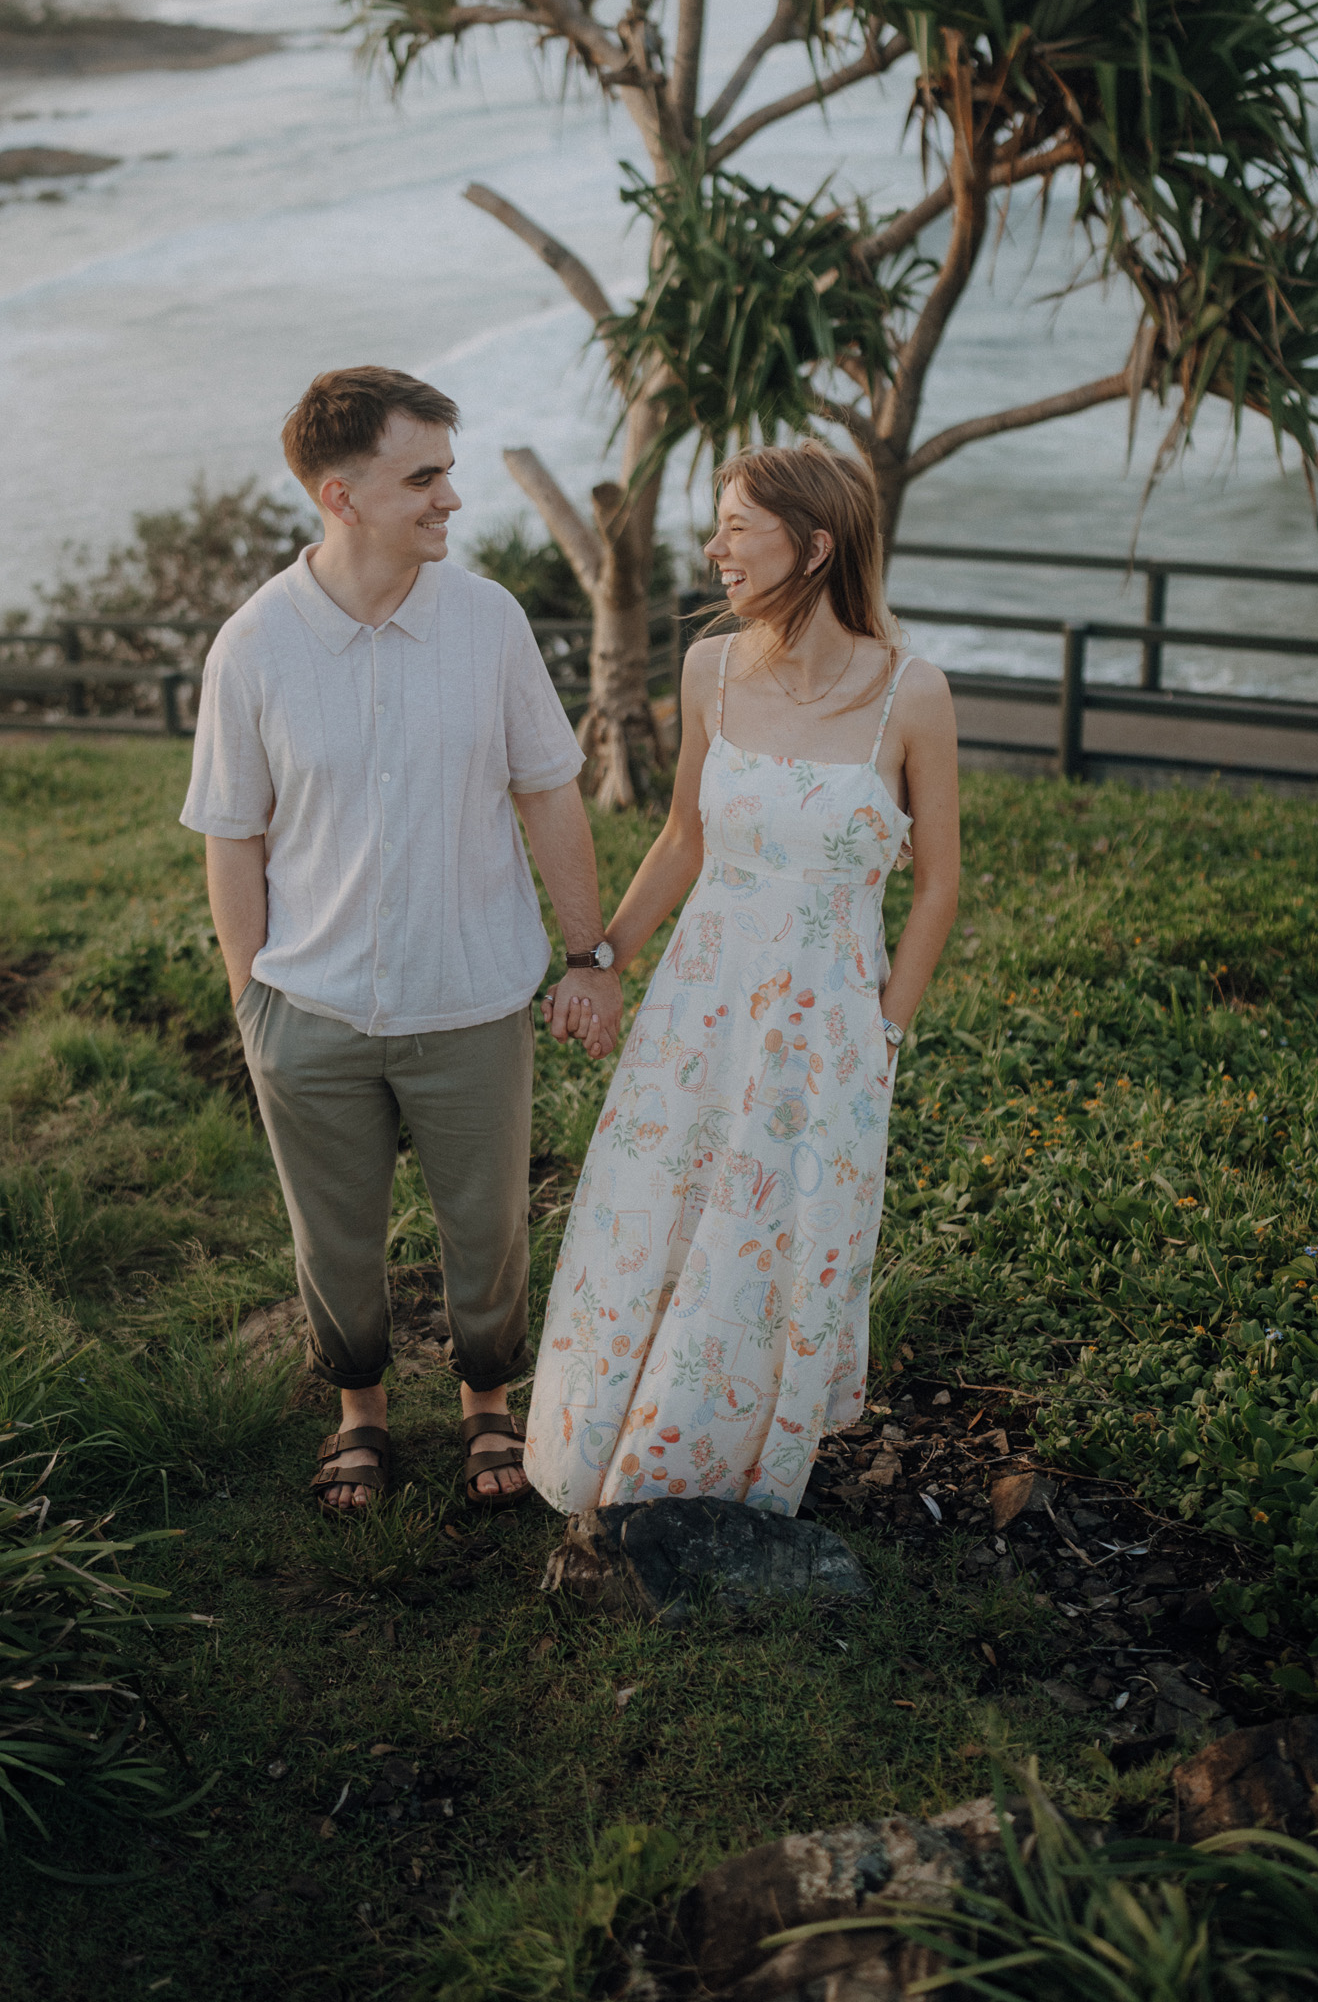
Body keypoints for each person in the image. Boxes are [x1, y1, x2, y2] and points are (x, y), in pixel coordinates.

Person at [182, 365, 622, 1513]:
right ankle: (360, 1417)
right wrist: (254, 1005)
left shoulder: (489, 623)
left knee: (489, 1231)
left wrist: (586, 957)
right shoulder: (254, 644)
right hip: (307, 1012)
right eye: (422, 478)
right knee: (333, 1239)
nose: (450, 501)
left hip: (471, 1000)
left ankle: (488, 1409)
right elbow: (232, 837)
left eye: (447, 473)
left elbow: (551, 793)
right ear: (341, 494)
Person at [525, 440, 959, 1517]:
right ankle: (611, 1450)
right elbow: (681, 838)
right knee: (658, 1217)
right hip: (695, 1010)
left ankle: (711, 1471)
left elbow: (940, 884)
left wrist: (886, 1032)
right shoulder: (709, 670)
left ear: (812, 545)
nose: (714, 548)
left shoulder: (913, 693)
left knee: (769, 1244)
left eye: (735, 528)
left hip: (826, 1039)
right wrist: (602, 960)